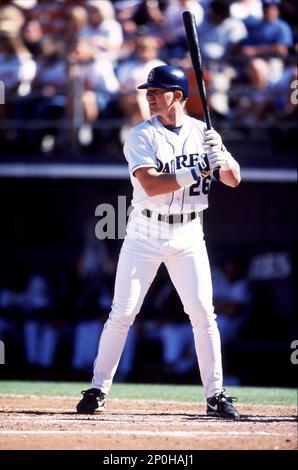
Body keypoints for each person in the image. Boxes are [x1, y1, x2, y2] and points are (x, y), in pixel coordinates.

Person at [76, 65, 241, 420]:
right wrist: (198, 169)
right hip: (145, 231)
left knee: (202, 315)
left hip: (189, 232)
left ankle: (216, 394)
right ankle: (97, 388)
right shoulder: (140, 135)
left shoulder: (204, 132)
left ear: (178, 96)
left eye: (158, 90)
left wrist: (222, 157)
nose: (149, 96)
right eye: (148, 90)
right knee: (122, 312)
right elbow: (151, 185)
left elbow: (233, 180)